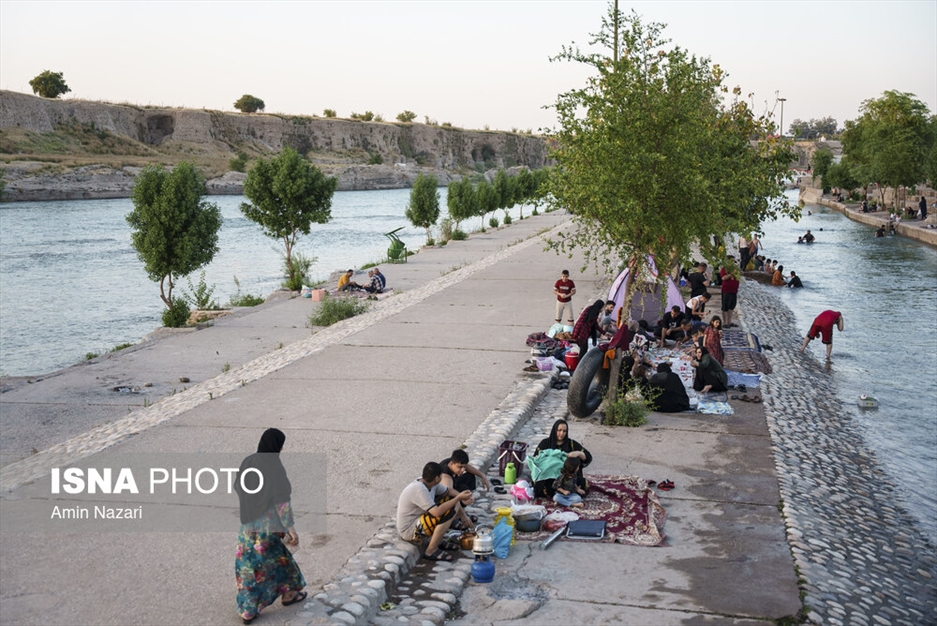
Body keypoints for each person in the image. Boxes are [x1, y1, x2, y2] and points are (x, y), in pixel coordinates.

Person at [235, 428, 307, 624]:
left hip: (247, 526)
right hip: (266, 527)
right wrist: (291, 530)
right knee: (281, 562)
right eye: (281, 444)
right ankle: (289, 594)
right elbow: (281, 501)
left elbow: (238, 487)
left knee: (248, 566)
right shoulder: (274, 466)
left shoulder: (248, 462)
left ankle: (247, 610)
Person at [396, 462, 474, 562]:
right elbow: (436, 512)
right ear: (437, 478)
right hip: (409, 531)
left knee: (451, 501)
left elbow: (448, 491)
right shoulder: (419, 489)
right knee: (447, 511)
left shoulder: (430, 483)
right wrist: (458, 498)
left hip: (420, 520)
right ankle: (431, 550)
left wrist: (461, 498)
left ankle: (438, 541)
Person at [533, 419, 592, 497]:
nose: (561, 433)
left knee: (582, 483)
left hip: (568, 478)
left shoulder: (571, 444)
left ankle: (561, 493)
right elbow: (535, 459)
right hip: (551, 477)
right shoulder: (545, 443)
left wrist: (578, 453)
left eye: (564, 431)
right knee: (544, 485)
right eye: (559, 430)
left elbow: (588, 457)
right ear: (554, 430)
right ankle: (563, 492)